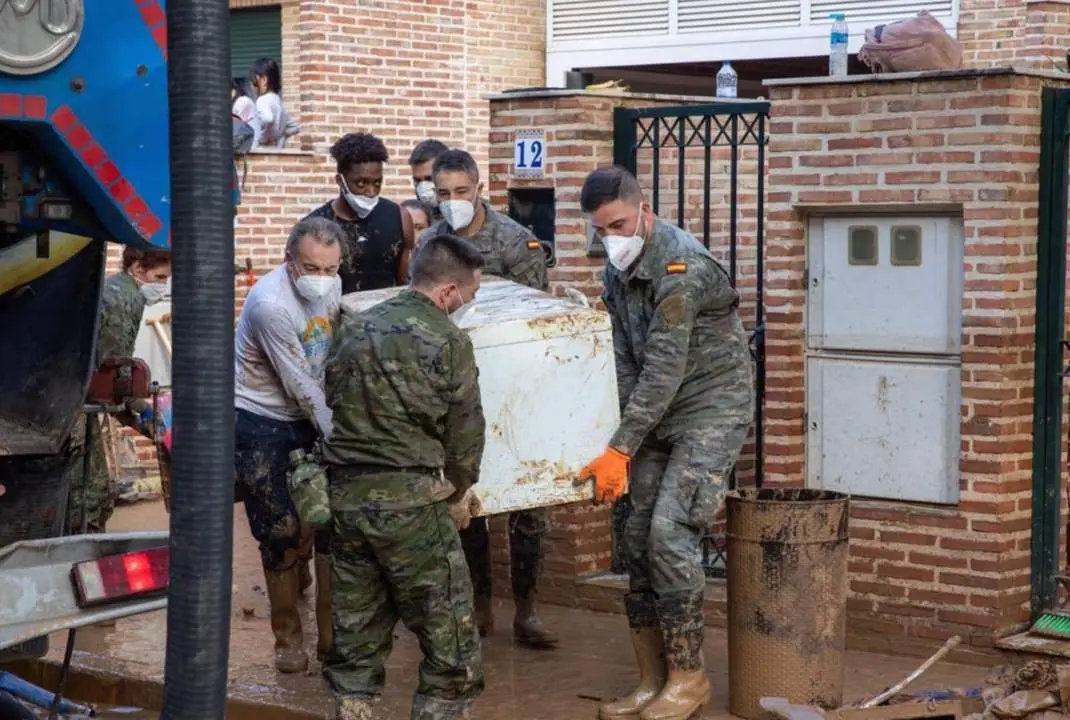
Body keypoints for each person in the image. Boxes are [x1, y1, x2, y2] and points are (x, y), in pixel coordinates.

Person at [576, 166, 754, 720]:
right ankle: (651, 679)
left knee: (670, 533)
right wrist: (627, 437)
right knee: (635, 537)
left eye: (620, 225)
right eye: (602, 229)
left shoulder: (683, 269)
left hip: (709, 407)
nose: (612, 239)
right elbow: (625, 356)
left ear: (644, 210)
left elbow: (664, 368)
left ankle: (689, 678)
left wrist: (620, 446)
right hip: (655, 414)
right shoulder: (614, 263)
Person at [322, 233, 487, 720]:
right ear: (449, 292)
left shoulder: (353, 327)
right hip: (413, 505)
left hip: (347, 502)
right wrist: (458, 490)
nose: (465, 306)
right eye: (469, 296)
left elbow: (332, 397)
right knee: (450, 642)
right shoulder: (449, 339)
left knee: (355, 637)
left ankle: (353, 711)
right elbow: (465, 432)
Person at [421, 148, 556, 648]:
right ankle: (478, 606)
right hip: (457, 390)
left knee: (529, 505)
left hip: (516, 388)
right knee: (465, 502)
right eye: (443, 194)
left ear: (480, 189)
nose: (453, 202)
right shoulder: (432, 243)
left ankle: (529, 608)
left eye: (461, 192)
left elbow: (537, 316)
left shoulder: (517, 243)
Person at [233, 216, 343, 673]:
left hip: (313, 410)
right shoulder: (270, 305)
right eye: (311, 267)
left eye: (330, 269)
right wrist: (341, 437)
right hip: (262, 417)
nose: (321, 279)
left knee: (328, 526)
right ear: (289, 261)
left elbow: (331, 354)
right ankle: (288, 639)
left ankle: (332, 642)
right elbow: (298, 381)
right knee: (279, 531)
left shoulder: (333, 286)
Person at [66, 246, 172, 535]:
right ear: (138, 268)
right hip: (74, 401)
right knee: (90, 492)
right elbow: (114, 369)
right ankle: (80, 550)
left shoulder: (113, 289)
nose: (163, 286)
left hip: (69, 395)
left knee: (92, 488)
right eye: (160, 277)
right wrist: (144, 411)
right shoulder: (125, 298)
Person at [305, 132, 415, 294]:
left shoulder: (399, 217)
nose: (370, 192)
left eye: (377, 183)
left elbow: (403, 282)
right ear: (340, 181)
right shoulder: (315, 226)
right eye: (361, 183)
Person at [249, 58, 300, 149]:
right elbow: (295, 127)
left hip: (261, 153)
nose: (253, 86)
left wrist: (264, 137)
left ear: (263, 80)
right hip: (276, 153)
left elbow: (267, 118)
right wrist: (277, 136)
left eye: (254, 81)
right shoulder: (278, 101)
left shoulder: (262, 100)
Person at [408, 138, 449, 224]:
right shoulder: (413, 219)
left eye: (429, 179)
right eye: (417, 180)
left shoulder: (473, 216)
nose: (423, 186)